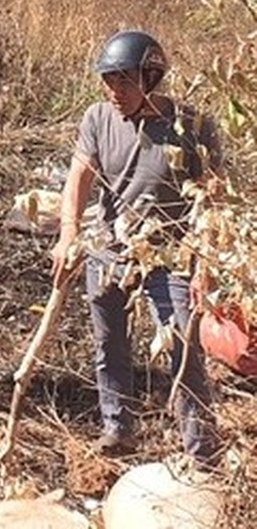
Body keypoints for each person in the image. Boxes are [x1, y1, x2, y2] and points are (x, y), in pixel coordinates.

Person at [50, 30, 220, 465]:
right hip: (111, 248)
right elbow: (79, 177)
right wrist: (69, 233)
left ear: (151, 77)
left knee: (184, 348)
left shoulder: (193, 127)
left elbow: (212, 201)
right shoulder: (97, 118)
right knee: (109, 343)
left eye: (124, 81)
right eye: (108, 80)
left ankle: (201, 451)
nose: (114, 91)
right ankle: (118, 428)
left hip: (170, 255)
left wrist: (204, 266)